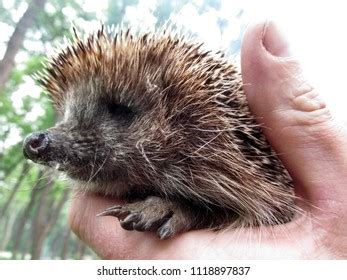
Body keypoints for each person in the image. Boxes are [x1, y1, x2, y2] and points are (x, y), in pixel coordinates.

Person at [68, 20, 347, 259]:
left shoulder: (214, 147)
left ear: (183, 111)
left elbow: (259, 212)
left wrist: (190, 211)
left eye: (119, 112)